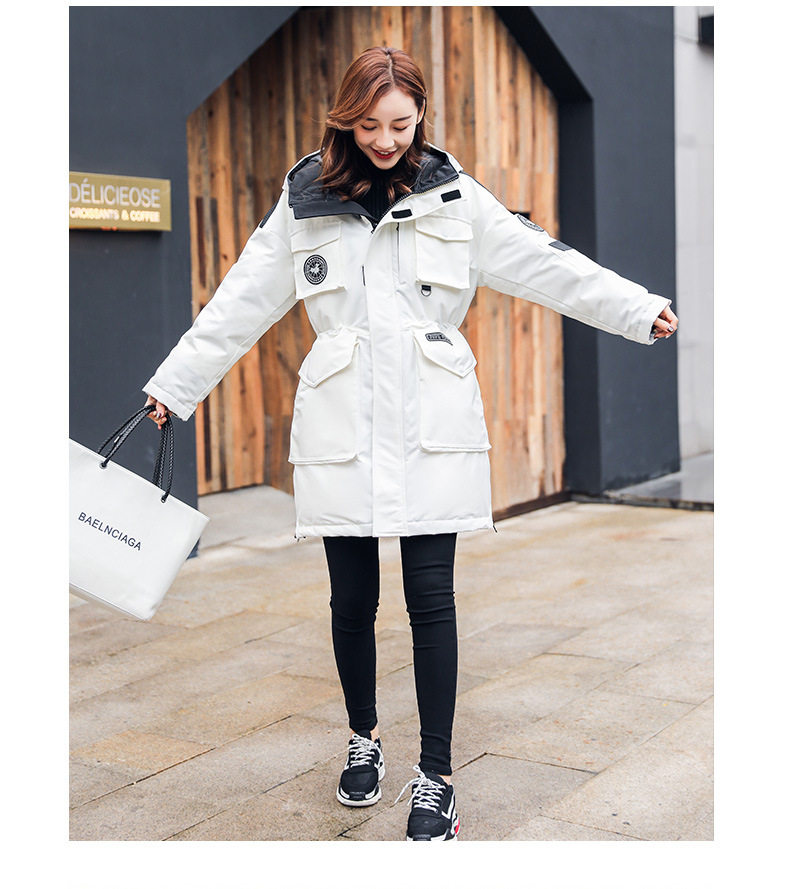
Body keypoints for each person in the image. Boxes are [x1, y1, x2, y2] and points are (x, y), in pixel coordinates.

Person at [142, 46, 678, 841]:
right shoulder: (306, 199)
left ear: (421, 113)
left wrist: (635, 308)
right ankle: (363, 736)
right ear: (344, 119)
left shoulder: (455, 197)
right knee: (351, 601)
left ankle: (437, 775)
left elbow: (545, 263)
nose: (386, 140)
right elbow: (239, 301)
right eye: (368, 125)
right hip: (343, 426)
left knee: (432, 601)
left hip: (432, 425)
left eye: (399, 123)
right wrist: (175, 385)